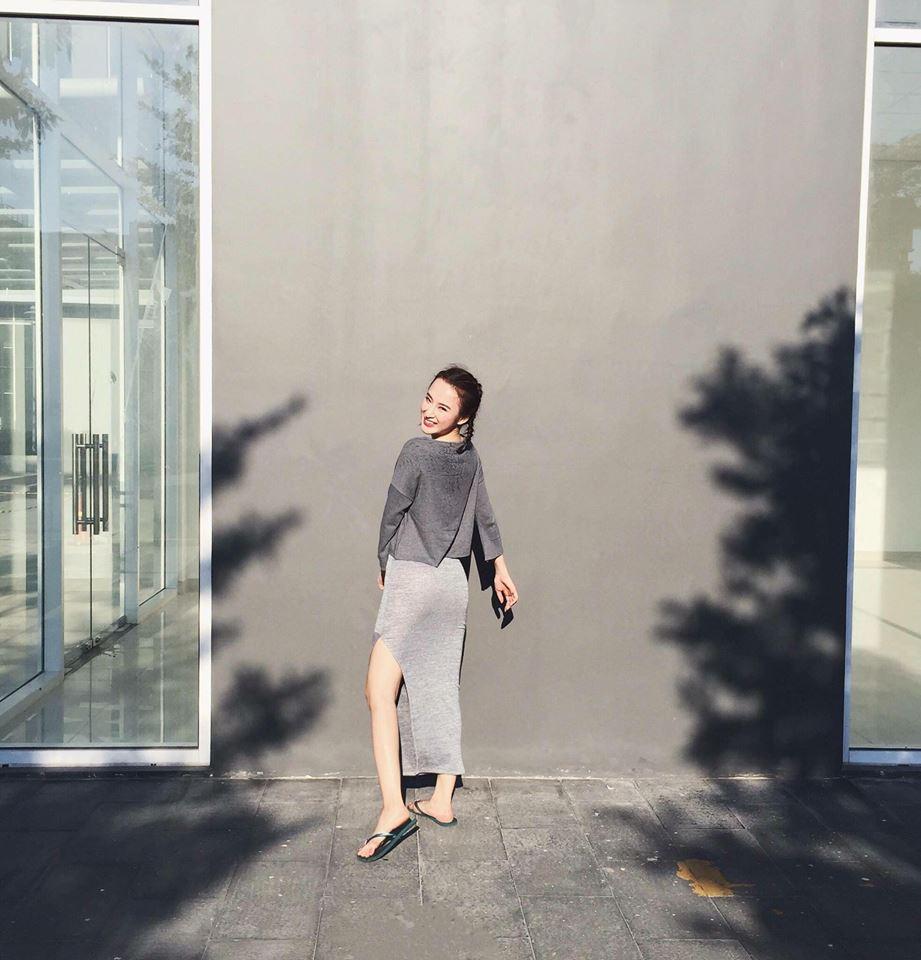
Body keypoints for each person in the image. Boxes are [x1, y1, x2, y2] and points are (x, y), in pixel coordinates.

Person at [356, 365, 519, 862]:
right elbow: (485, 517)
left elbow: (393, 513)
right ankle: (442, 799)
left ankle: (394, 810)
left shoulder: (415, 451)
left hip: (413, 576)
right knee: (441, 685)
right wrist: (500, 569)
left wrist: (384, 562)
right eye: (428, 398)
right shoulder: (470, 459)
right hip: (453, 583)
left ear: (463, 417)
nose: (428, 410)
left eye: (442, 406)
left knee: (379, 692)